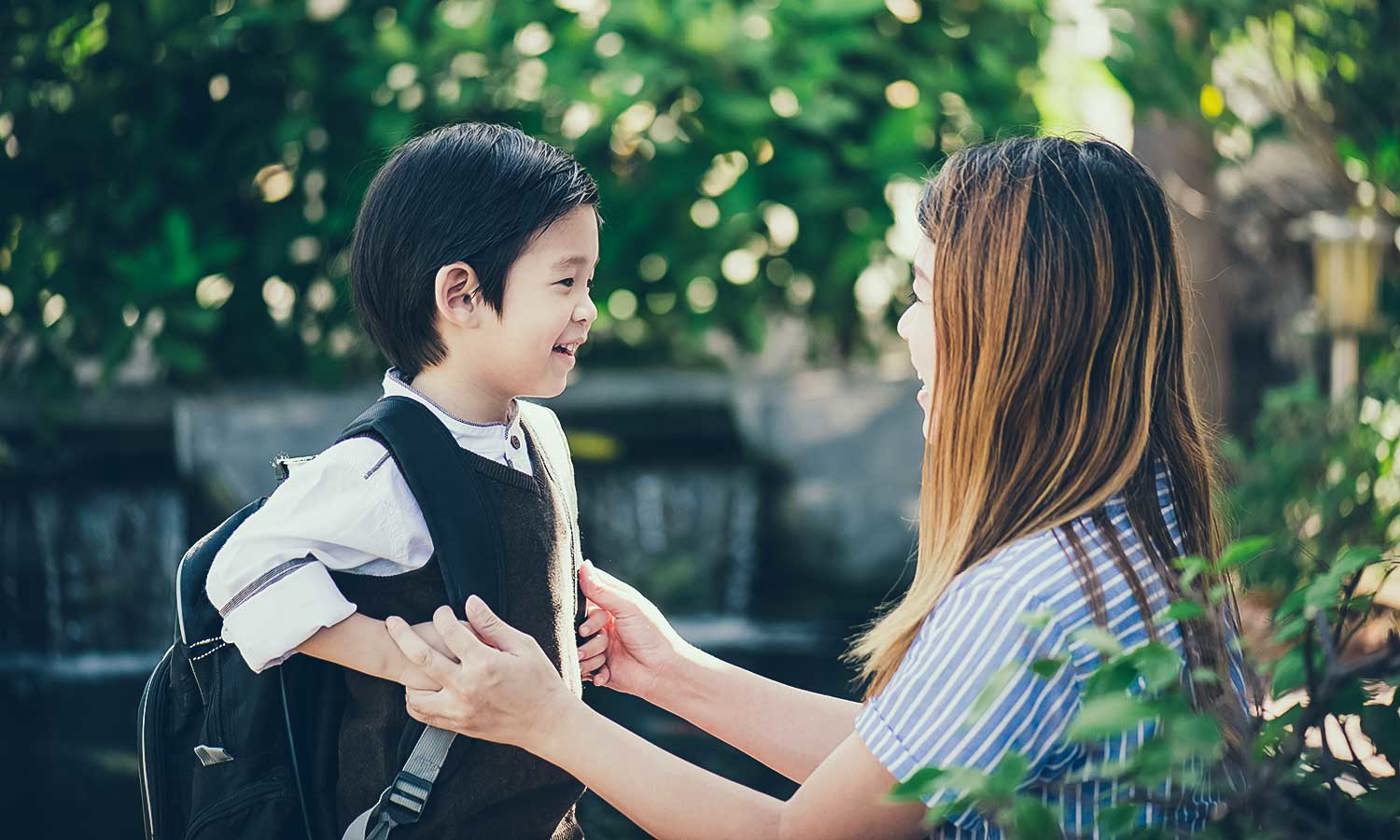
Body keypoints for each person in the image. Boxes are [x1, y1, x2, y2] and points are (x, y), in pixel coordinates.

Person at [383, 135, 1255, 838]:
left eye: (922, 294)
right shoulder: (1149, 539)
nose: (909, 327)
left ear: (1010, 332)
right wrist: (672, 674)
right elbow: (904, 766)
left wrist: (548, 723)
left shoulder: (1027, 595)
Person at [205, 122, 600, 838]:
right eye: (566, 281)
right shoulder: (383, 465)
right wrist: (405, 656)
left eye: (589, 282)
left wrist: (576, 629)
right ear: (462, 295)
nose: (587, 308)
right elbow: (241, 571)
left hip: (542, 814)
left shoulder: (537, 433)